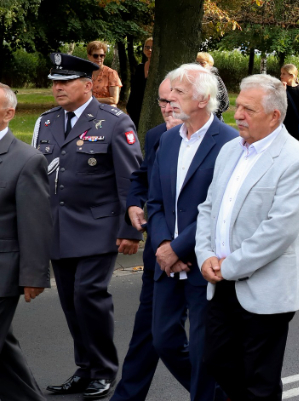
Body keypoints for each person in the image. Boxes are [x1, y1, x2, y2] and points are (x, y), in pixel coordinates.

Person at [195, 74, 299, 401]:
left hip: (265, 289)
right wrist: (205, 255)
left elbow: (280, 231)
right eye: (239, 106)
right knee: (216, 362)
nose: (238, 114)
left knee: (259, 380)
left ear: (275, 115)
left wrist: (229, 266)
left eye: (249, 109)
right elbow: (208, 208)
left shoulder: (295, 160)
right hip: (220, 281)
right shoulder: (230, 149)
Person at [36, 53, 143, 400]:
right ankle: (85, 369)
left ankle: (103, 369)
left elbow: (131, 181)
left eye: (65, 82)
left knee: (89, 296)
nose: (57, 88)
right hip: (59, 227)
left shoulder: (113, 121)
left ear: (87, 85)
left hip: (100, 227)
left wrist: (130, 230)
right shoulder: (47, 122)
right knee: (70, 301)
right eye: (54, 82)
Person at [147, 64, 239, 401]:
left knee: (204, 352)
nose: (170, 100)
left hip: (204, 263)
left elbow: (219, 210)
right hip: (167, 261)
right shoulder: (167, 139)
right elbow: (155, 201)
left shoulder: (229, 142)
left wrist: (180, 248)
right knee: (164, 341)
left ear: (201, 99)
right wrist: (162, 245)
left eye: (179, 93)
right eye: (170, 93)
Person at [112, 79, 186, 401]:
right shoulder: (157, 136)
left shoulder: (220, 140)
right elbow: (141, 178)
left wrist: (180, 248)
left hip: (199, 257)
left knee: (182, 338)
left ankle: (216, 390)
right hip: (158, 254)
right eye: (162, 102)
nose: (168, 108)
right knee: (149, 332)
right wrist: (132, 203)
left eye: (174, 101)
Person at [0, 83, 53, 401]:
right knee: (4, 352)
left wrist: (33, 276)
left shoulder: (26, 160)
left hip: (2, 273)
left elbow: (35, 224)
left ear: (8, 113)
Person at [279, 64, 299, 141]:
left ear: (291, 76)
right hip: (281, 125)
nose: (281, 76)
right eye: (281, 73)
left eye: (284, 74)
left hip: (295, 126)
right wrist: (282, 91)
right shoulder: (278, 89)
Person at [87, 40, 123, 107]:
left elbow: (114, 100)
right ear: (89, 56)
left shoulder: (111, 73)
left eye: (102, 56)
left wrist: (91, 100)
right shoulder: (85, 73)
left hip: (105, 110)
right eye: (95, 56)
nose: (99, 58)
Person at [125, 37, 153, 126]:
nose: (150, 50)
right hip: (136, 107)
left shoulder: (160, 69)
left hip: (151, 107)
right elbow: (134, 89)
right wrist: (129, 108)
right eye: (147, 47)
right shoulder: (140, 67)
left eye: (153, 47)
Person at [193, 52, 229, 118]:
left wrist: (209, 112)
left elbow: (224, 103)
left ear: (210, 64)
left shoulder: (215, 78)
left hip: (212, 118)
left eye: (202, 63)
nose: (199, 65)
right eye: (197, 63)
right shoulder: (192, 78)